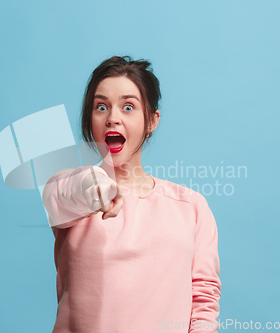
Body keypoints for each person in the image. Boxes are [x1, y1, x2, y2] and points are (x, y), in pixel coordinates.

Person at [42, 55, 221, 333]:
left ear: (151, 121)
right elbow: (68, 191)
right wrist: (98, 187)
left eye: (128, 107)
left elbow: (203, 300)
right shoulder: (68, 190)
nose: (113, 118)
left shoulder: (191, 207)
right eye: (101, 107)